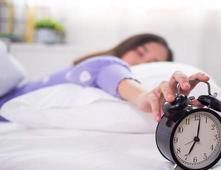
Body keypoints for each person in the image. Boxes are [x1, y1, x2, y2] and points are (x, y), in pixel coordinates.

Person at [0, 33, 209, 122]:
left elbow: (114, 76)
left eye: (152, 62)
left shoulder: (111, 69)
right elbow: (105, 69)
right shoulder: (104, 63)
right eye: (142, 50)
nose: (142, 59)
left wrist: (146, 98)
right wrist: (143, 96)